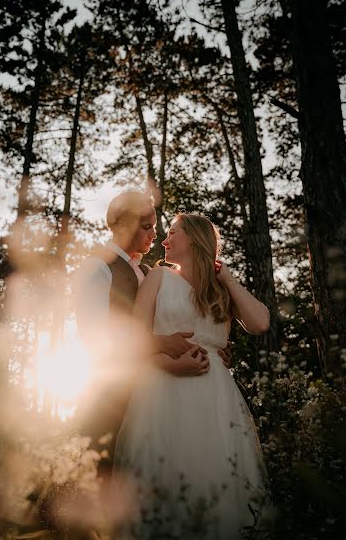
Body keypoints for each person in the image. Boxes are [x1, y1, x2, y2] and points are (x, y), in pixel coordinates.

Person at [113, 213, 273, 539]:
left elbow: (259, 323)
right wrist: (167, 364)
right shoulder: (158, 277)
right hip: (164, 388)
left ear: (195, 239)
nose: (164, 239)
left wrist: (227, 278)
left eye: (172, 232)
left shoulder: (220, 289)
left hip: (216, 397)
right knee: (167, 481)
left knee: (218, 484)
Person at [74, 192, 230, 463]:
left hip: (161, 400)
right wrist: (159, 343)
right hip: (111, 402)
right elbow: (94, 339)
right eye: (147, 226)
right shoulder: (97, 268)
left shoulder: (151, 274)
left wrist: (210, 349)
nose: (155, 234)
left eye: (156, 226)